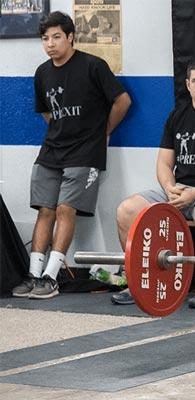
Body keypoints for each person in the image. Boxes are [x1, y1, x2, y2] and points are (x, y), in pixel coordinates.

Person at [111, 56, 195, 308]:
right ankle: (138, 281)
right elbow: (164, 163)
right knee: (126, 209)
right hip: (179, 189)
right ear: (187, 84)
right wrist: (170, 189)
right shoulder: (177, 116)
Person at [11, 11, 131, 300]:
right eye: (45, 38)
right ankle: (34, 274)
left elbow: (122, 101)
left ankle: (52, 277)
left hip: (85, 152)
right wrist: (60, 129)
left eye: (56, 37)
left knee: (66, 209)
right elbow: (45, 111)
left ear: (70, 37)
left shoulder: (93, 66)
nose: (50, 44)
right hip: (52, 151)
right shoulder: (42, 72)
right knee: (45, 209)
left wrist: (102, 132)